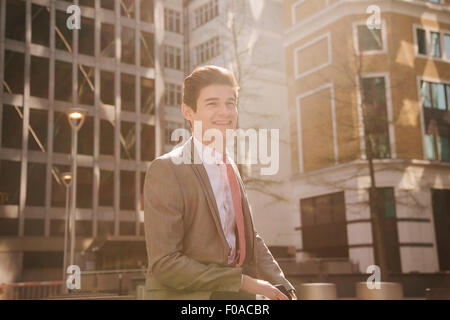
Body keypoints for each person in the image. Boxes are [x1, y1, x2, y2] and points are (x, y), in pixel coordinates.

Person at [143, 65, 297, 300]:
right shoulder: (167, 170)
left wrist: (282, 285)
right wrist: (245, 283)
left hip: (233, 295)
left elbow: (248, 237)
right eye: (212, 104)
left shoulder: (231, 168)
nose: (225, 112)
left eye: (230, 103)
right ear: (188, 112)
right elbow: (165, 263)